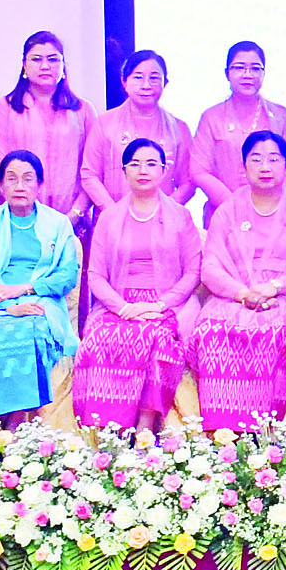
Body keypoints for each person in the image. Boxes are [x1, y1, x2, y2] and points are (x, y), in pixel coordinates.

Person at [191, 131, 286, 429]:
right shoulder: (227, 211)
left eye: (273, 159)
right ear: (244, 167)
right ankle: (224, 432)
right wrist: (242, 293)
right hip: (234, 296)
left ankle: (268, 430)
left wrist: (275, 288)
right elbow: (210, 267)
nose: (265, 167)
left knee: (275, 331)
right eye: (256, 159)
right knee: (214, 331)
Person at [73, 138, 201, 432]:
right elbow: (96, 275)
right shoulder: (109, 218)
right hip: (119, 305)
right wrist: (123, 308)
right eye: (135, 164)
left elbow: (193, 272)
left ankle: (144, 427)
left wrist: (160, 305)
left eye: (151, 164)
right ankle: (107, 431)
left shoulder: (181, 216)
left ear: (164, 170)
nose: (143, 170)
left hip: (167, 304)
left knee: (156, 338)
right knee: (100, 340)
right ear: (124, 171)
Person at [0, 152, 82, 424]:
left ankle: (15, 420)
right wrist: (9, 306)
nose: (19, 186)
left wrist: (25, 289)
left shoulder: (58, 224)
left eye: (27, 179)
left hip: (41, 301)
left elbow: (67, 275)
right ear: (0, 185)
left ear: (40, 185)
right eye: (11, 179)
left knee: (32, 333)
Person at [0, 31, 90, 227]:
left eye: (53, 59)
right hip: (19, 215)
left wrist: (75, 213)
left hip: (73, 217)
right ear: (24, 65)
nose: (45, 66)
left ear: (63, 65)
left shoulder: (82, 110)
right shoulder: (6, 107)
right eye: (36, 59)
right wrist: (24, 207)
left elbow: (91, 168)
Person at [189, 42, 286, 228]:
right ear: (227, 73)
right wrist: (236, 207)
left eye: (255, 68)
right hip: (223, 216)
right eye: (239, 67)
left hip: (273, 217)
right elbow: (199, 171)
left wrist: (268, 206)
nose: (248, 75)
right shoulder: (211, 117)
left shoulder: (281, 116)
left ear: (264, 73)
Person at [82, 49, 197, 214]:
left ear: (165, 83)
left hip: (163, 220)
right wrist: (114, 213)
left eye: (154, 78)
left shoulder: (179, 129)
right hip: (112, 219)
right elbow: (90, 175)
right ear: (124, 81)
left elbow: (188, 182)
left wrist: (165, 211)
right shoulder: (104, 123)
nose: (146, 85)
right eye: (138, 77)